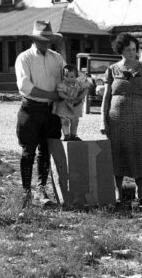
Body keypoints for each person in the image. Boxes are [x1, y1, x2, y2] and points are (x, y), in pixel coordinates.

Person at [101, 32, 142, 206]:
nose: (131, 53)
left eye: (134, 49)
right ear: (120, 50)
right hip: (117, 118)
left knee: (140, 153)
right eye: (127, 49)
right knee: (117, 154)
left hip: (140, 118)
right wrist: (102, 121)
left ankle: (139, 192)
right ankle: (118, 193)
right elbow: (106, 98)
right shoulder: (112, 69)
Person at [15, 19, 65, 206]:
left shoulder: (57, 58)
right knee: (28, 151)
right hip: (31, 108)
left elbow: (66, 78)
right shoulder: (24, 58)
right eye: (42, 39)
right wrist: (52, 94)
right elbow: (25, 86)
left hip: (51, 111)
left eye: (48, 40)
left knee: (45, 151)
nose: (46, 43)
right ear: (35, 39)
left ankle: (40, 190)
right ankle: (26, 191)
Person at [54, 64, 91, 141]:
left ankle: (73, 135)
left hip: (76, 106)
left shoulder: (79, 83)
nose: (69, 79)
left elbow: (87, 88)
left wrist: (81, 96)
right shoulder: (62, 84)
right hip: (65, 106)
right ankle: (66, 135)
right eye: (66, 76)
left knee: (75, 121)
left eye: (72, 77)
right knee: (64, 121)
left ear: (76, 76)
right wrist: (68, 97)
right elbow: (60, 94)